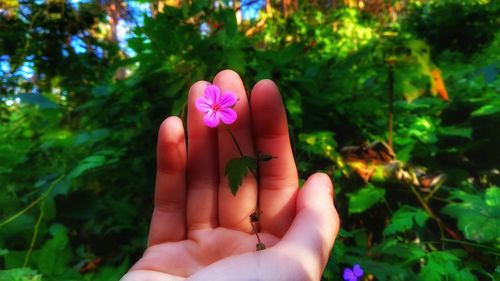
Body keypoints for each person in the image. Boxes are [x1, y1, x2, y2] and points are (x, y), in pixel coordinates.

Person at [121, 70, 340, 281]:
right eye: (213, 106)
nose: (214, 106)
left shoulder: (222, 110)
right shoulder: (214, 113)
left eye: (216, 106)